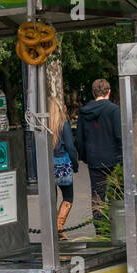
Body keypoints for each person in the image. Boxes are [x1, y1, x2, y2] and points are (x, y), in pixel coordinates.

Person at [75, 78, 122, 222]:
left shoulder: (83, 112)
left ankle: (100, 228)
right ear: (108, 92)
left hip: (94, 159)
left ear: (93, 93)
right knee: (118, 193)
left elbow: (80, 139)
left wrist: (85, 157)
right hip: (114, 158)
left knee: (97, 195)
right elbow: (120, 135)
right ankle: (117, 225)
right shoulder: (114, 110)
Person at [50, 92, 79, 240]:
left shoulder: (42, 125)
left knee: (51, 198)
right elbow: (70, 146)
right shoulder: (63, 123)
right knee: (68, 196)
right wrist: (75, 165)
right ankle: (59, 228)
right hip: (63, 166)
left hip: (47, 165)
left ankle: (51, 229)